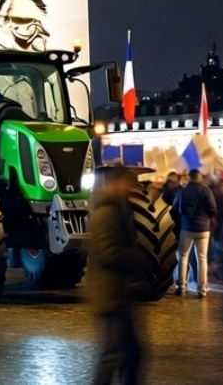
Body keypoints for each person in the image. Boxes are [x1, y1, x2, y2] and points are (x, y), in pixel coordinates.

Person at [88, 165, 145, 385]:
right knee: (114, 353)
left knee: (130, 353)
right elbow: (109, 253)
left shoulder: (118, 209)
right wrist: (136, 257)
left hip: (120, 293)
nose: (130, 188)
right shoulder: (106, 212)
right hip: (110, 294)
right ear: (116, 184)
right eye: (127, 184)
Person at [172, 168, 218, 297]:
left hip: (186, 228)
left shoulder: (183, 191)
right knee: (202, 258)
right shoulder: (206, 190)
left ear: (190, 178)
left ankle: (181, 287)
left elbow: (177, 209)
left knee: (183, 257)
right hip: (203, 229)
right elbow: (213, 209)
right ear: (200, 177)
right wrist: (206, 217)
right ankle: (202, 289)